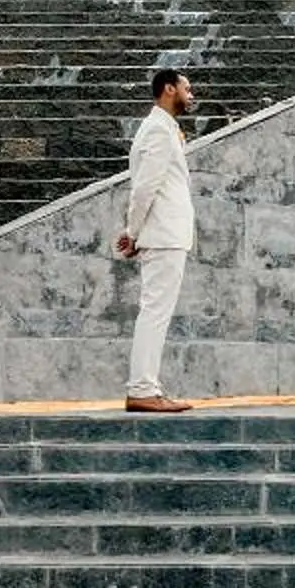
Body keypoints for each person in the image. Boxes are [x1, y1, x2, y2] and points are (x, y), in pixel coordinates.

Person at [113, 68, 197, 413]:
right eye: (187, 89)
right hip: (163, 235)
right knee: (155, 313)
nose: (192, 95)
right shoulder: (158, 131)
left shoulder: (163, 129)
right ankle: (143, 388)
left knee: (155, 312)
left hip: (164, 233)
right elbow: (145, 187)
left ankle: (147, 386)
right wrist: (132, 233)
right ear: (168, 89)